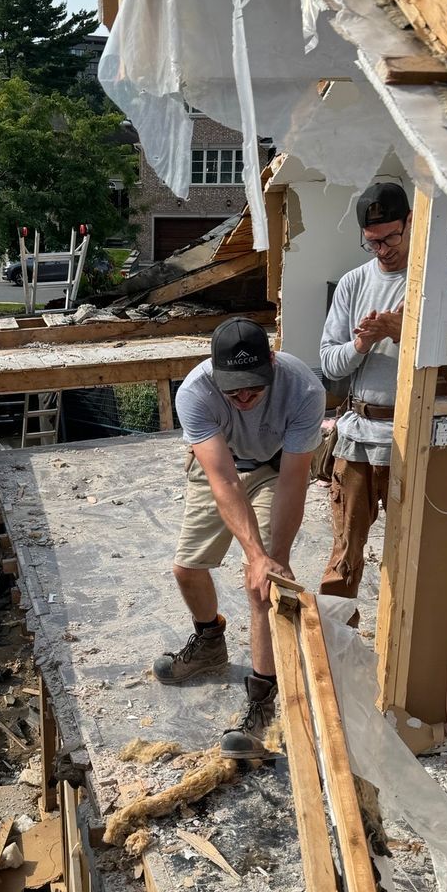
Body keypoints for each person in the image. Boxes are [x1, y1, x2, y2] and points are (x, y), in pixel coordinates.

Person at [152, 318, 325, 758]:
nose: (244, 398)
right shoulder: (193, 391)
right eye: (234, 390)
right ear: (215, 370)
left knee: (262, 583)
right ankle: (209, 642)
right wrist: (253, 550)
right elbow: (223, 480)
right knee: (187, 568)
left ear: (272, 362)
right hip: (225, 469)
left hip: (274, 469)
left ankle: (263, 700)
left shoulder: (304, 389)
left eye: (254, 387)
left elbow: (292, 480)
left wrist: (273, 557)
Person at [318, 180, 411, 604]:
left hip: (409, 436)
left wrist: (403, 331)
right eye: (372, 242)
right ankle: (337, 646)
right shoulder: (353, 283)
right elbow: (330, 363)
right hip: (357, 437)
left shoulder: (433, 281)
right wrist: (364, 342)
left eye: (391, 237)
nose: (382, 250)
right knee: (345, 555)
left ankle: (403, 645)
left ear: (411, 223)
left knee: (414, 551)